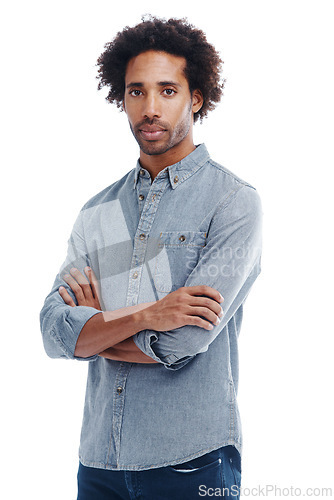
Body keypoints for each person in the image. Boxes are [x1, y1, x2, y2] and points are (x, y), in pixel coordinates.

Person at [40, 15, 262, 500]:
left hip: (190, 462)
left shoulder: (232, 203)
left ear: (196, 98)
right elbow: (54, 330)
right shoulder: (98, 211)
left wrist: (95, 330)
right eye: (136, 92)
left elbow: (182, 341)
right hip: (98, 463)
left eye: (166, 90)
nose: (149, 108)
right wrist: (147, 315)